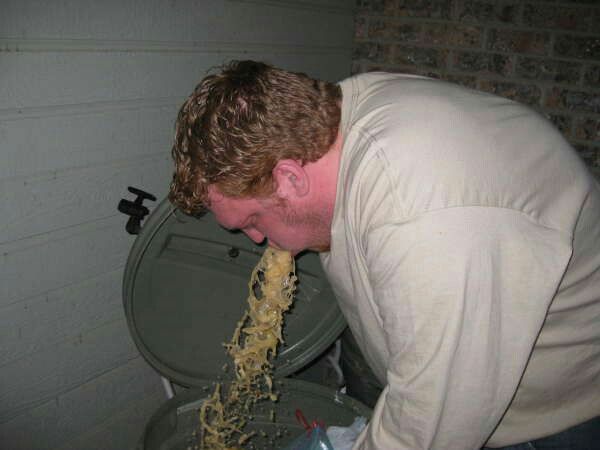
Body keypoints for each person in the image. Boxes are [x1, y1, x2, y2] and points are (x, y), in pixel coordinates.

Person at [168, 60, 600, 450]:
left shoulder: (423, 215)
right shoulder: (337, 121)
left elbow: (434, 423)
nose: (258, 239)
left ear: (289, 178)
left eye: (252, 220)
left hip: (550, 419)